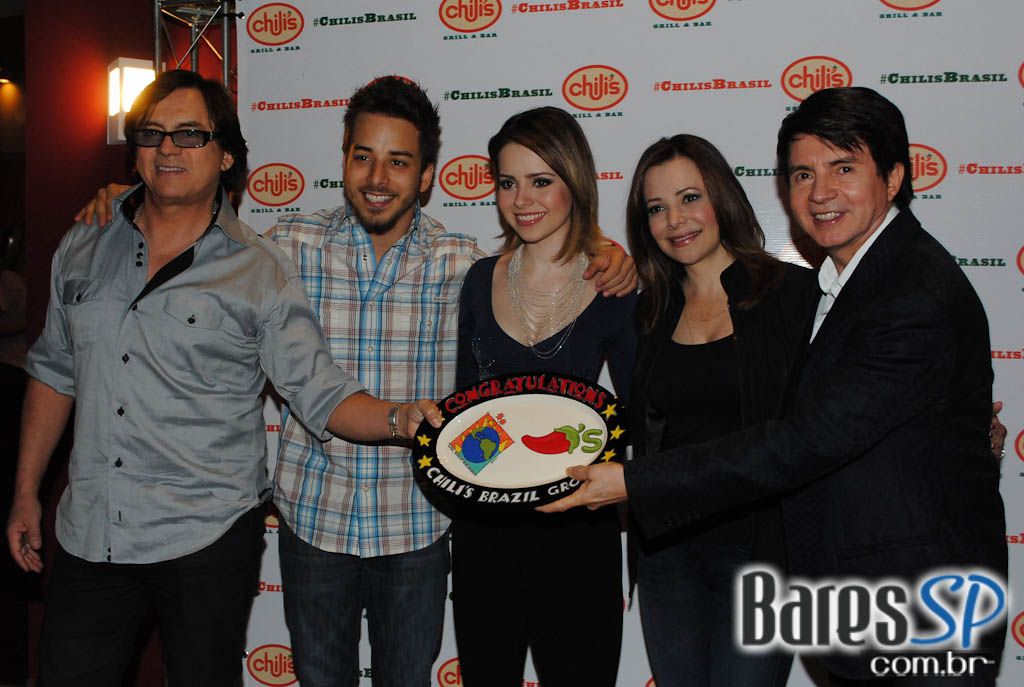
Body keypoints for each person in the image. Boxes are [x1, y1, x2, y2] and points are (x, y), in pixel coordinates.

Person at [75, 75, 636, 686]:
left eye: (399, 161)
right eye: (363, 156)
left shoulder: (464, 265)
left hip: (415, 527)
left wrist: (607, 252)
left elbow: (542, 260)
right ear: (343, 159)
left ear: (427, 175)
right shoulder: (283, 248)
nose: (377, 177)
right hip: (313, 523)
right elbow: (196, 238)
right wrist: (136, 200)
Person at [544, 87, 1008, 685]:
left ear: (894, 177)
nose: (820, 192)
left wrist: (633, 481)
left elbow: (806, 438)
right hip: (818, 581)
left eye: (843, 168)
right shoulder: (847, 282)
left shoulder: (899, 292)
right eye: (803, 174)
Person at [5, 70, 441, 687]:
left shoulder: (260, 267)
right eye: (152, 133)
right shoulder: (83, 243)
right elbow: (54, 370)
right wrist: (26, 488)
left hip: (206, 538)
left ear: (227, 155)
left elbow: (319, 390)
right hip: (92, 532)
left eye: (190, 134)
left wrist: (400, 418)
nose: (169, 148)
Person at [452, 106, 636, 687]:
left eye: (540, 180)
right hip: (485, 534)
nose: (522, 199)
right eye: (508, 182)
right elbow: (464, 412)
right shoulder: (479, 280)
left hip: (579, 532)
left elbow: (642, 414)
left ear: (573, 181)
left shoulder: (614, 283)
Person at [623, 134, 816, 687]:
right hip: (666, 557)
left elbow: (838, 412)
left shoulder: (792, 294)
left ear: (722, 199)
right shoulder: (650, 310)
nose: (674, 220)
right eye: (656, 208)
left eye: (690, 198)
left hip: (759, 558)